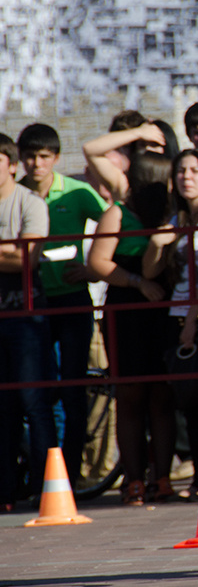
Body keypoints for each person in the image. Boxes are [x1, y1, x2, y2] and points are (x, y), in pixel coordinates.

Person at [16, 124, 108, 489]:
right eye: (30, 157)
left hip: (71, 301)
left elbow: (113, 223)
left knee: (72, 387)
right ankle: (44, 472)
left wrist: (91, 266)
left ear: (55, 158)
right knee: (39, 389)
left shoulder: (77, 192)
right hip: (33, 302)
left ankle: (71, 470)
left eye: (44, 157)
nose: (37, 164)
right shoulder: (16, 194)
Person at [142, 149, 198, 498]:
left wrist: (192, 321)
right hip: (177, 314)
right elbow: (150, 271)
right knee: (189, 404)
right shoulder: (177, 218)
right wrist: (156, 241)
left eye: (195, 170)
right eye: (181, 171)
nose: (187, 177)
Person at [87, 153, 175, 505]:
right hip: (127, 310)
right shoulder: (118, 213)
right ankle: (134, 479)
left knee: (163, 396)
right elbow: (96, 262)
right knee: (131, 395)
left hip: (164, 311)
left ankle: (164, 478)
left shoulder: (171, 215)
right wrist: (138, 282)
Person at [0, 132, 55, 512]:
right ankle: (6, 487)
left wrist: (14, 254)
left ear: (11, 165)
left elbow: (27, 258)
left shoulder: (29, 202)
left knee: (35, 401)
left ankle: (45, 485)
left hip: (25, 316)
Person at [82, 110, 179, 203]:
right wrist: (138, 132)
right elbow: (90, 149)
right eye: (142, 144)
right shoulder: (124, 185)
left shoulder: (179, 181)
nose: (148, 149)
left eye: (154, 144)